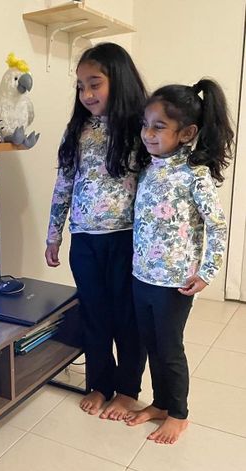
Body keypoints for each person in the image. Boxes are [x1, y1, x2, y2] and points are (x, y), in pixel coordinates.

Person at [125, 79, 232, 444]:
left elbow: (217, 227)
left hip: (175, 283)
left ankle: (179, 414)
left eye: (159, 127)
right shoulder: (150, 167)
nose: (148, 134)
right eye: (145, 124)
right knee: (151, 343)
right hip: (142, 276)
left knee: (170, 349)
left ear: (186, 133)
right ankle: (160, 403)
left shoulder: (195, 174)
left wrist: (207, 272)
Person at [45, 43, 147, 420]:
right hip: (85, 240)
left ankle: (126, 389)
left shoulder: (141, 128)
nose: (86, 94)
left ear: (118, 81)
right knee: (95, 314)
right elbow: (64, 184)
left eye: (95, 84)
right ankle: (100, 384)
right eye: (80, 86)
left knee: (127, 317)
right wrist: (54, 234)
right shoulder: (77, 131)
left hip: (127, 240)